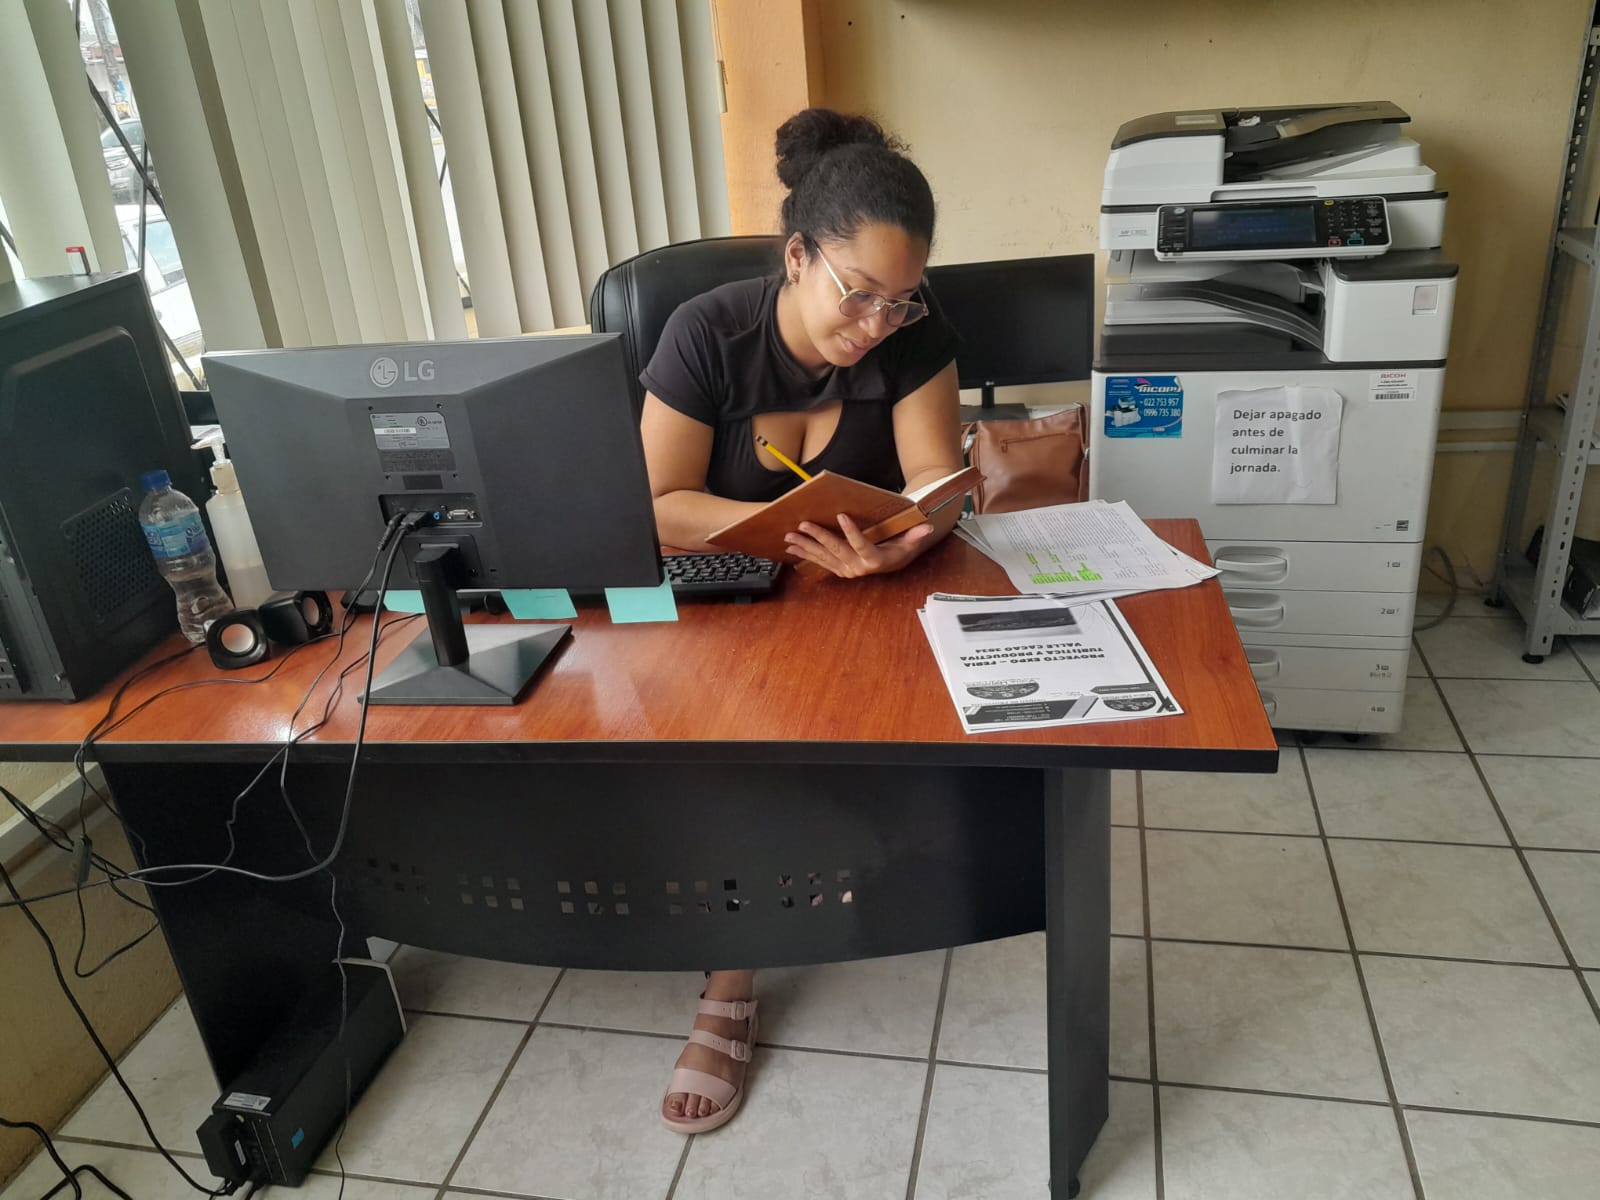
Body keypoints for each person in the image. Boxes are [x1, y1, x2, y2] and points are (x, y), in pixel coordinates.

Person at [638, 107, 963, 1132]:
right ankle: (730, 983)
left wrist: (909, 537)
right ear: (796, 257)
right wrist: (781, 526)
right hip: (729, 604)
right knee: (731, 756)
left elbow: (937, 480)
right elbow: (659, 502)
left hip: (863, 599)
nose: (874, 325)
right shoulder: (706, 333)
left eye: (899, 304)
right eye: (856, 293)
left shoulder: (916, 334)